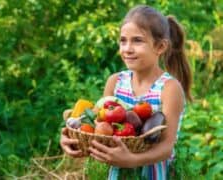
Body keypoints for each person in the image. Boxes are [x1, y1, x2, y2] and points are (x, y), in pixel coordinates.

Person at [60, 4, 192, 180]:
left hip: (154, 175)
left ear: (160, 47)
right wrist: (74, 141)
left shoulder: (169, 88)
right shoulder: (115, 82)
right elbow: (100, 130)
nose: (127, 48)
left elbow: (166, 147)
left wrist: (132, 160)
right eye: (123, 40)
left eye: (137, 40)